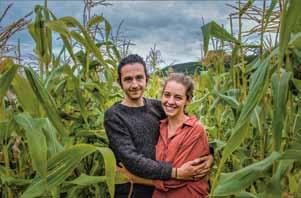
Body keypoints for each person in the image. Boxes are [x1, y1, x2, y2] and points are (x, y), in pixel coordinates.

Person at [104, 54, 213, 198]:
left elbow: (186, 128)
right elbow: (131, 159)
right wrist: (175, 173)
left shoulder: (157, 107)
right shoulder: (114, 116)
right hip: (132, 189)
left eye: (139, 78)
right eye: (128, 79)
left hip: (162, 190)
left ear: (147, 79)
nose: (135, 84)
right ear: (120, 82)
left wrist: (209, 154)